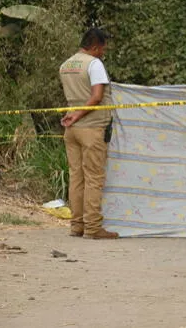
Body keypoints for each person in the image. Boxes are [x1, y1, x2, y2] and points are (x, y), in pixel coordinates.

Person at [59, 28, 118, 239]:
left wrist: (73, 116)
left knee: (76, 177)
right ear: (95, 47)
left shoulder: (66, 65)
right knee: (94, 177)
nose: (103, 52)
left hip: (71, 129)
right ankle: (93, 228)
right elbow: (96, 96)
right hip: (91, 127)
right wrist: (78, 115)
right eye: (102, 48)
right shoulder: (94, 64)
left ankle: (77, 226)